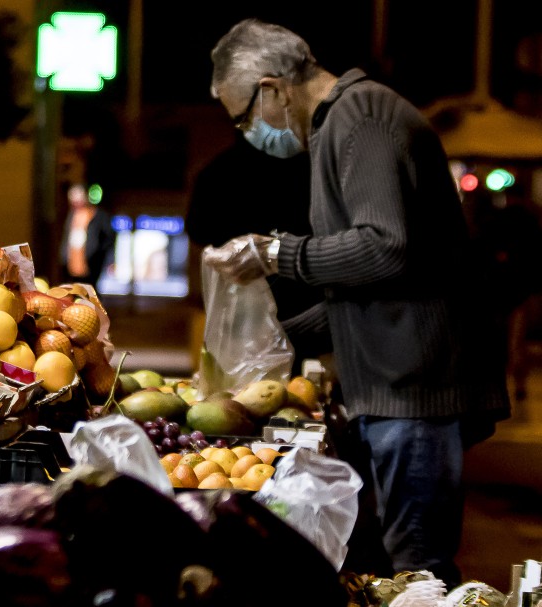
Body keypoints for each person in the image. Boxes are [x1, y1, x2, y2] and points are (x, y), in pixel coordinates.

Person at [202, 19, 510, 586]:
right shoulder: (339, 126)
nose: (246, 131)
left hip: (414, 392)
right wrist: (278, 339)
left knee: (420, 573)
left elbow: (386, 248)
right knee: (403, 565)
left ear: (271, 88)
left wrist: (277, 253)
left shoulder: (360, 116)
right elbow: (371, 287)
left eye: (242, 116)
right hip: (395, 390)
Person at [185, 131, 330, 370]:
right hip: (306, 295)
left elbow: (197, 230)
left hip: (239, 306)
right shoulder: (307, 167)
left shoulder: (219, 171)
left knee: (239, 386)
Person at [59, 182, 115, 286]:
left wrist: (107, 260)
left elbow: (109, 239)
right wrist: (64, 256)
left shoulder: (99, 216)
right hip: (72, 263)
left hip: (92, 265)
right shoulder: (72, 215)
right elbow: (67, 237)